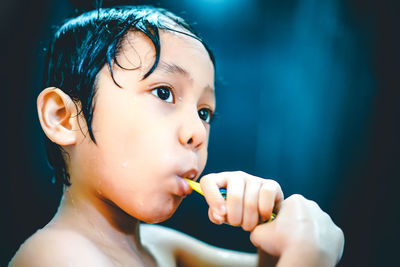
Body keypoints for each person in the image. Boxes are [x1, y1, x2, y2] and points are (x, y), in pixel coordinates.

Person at [9, 6, 344, 266]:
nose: (197, 132)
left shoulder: (162, 248)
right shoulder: (55, 257)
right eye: (165, 93)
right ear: (64, 118)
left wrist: (277, 238)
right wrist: (309, 258)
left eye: (204, 112)